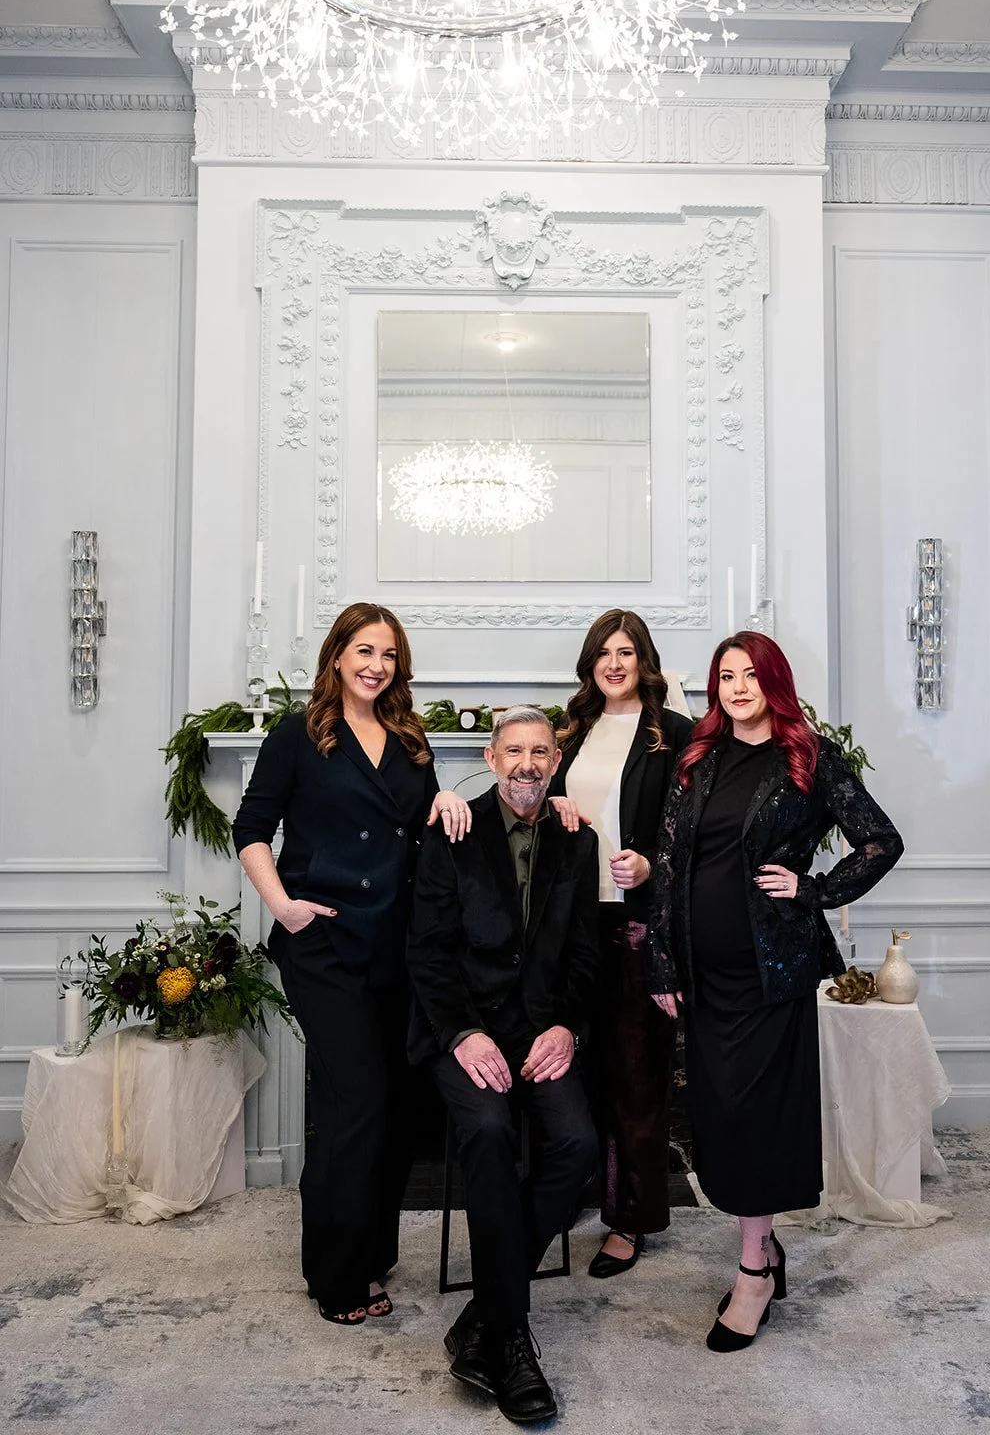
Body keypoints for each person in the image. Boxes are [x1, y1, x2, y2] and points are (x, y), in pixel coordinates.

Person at [647, 631, 903, 1352]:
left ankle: (753, 1267)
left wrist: (814, 889)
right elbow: (667, 867)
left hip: (768, 975)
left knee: (755, 1119)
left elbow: (880, 841)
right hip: (700, 974)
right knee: (718, 1116)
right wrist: (662, 966)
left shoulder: (808, 757)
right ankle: (761, 1250)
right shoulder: (697, 759)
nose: (735, 687)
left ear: (773, 682)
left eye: (749, 674)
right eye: (724, 676)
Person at [233, 602, 471, 1326]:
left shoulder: (406, 736)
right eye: (363, 650)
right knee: (354, 1101)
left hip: (397, 946)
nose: (375, 665)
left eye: (389, 656)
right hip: (325, 944)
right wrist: (284, 906)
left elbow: (423, 822)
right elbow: (250, 829)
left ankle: (372, 1252)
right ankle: (336, 1274)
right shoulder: (297, 735)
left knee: (395, 1107)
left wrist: (454, 801)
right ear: (336, 655)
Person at [408, 706, 599, 1425]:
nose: (527, 763)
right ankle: (512, 1335)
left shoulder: (578, 841)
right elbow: (425, 950)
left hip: (540, 1031)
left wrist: (567, 1029)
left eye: (540, 752)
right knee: (486, 1133)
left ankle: (486, 1310)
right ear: (490, 759)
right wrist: (460, 1033)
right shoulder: (450, 831)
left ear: (555, 761)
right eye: (513, 751)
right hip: (466, 1033)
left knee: (578, 1142)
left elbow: (585, 955)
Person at [548, 610, 693, 1278]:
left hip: (638, 928)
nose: (613, 662)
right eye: (603, 652)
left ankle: (629, 1219)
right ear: (589, 663)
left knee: (636, 1078)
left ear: (644, 662)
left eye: (626, 652)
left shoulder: (675, 736)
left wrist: (647, 869)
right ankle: (579, 1190)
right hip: (575, 927)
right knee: (576, 1070)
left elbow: (692, 837)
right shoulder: (569, 734)